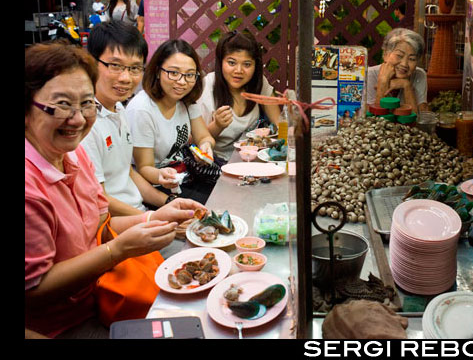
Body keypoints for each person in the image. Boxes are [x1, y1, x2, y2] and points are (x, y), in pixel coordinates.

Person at [25, 41, 206, 338]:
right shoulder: (30, 188)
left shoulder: (72, 154)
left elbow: (99, 226)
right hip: (65, 324)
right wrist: (117, 250)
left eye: (86, 103)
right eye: (62, 104)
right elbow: (35, 290)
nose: (79, 118)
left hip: (103, 294)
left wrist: (158, 216)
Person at [81, 21, 173, 217]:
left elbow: (127, 173)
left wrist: (169, 202)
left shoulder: (120, 108)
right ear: (91, 62)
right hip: (115, 226)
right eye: (115, 65)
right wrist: (152, 219)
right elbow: (99, 198)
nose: (125, 78)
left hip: (139, 213)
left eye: (134, 68)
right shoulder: (85, 123)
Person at [126, 39, 216, 204]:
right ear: (158, 71)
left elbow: (204, 136)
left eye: (189, 75)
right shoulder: (142, 109)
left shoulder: (186, 101)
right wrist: (163, 176)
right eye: (174, 73)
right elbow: (144, 168)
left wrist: (206, 146)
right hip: (156, 187)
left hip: (185, 175)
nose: (182, 81)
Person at [196, 30, 281, 161]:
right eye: (231, 62)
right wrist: (217, 125)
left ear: (255, 65)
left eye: (247, 64)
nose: (238, 71)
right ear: (221, 62)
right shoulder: (207, 87)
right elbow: (195, 140)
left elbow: (279, 123)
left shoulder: (258, 83)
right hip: (214, 164)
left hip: (250, 160)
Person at [366, 27, 428, 113]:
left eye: (412, 59)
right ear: (385, 54)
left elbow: (418, 119)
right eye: (399, 55)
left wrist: (407, 86)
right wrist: (383, 82)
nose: (404, 64)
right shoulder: (369, 75)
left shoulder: (419, 75)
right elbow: (375, 120)